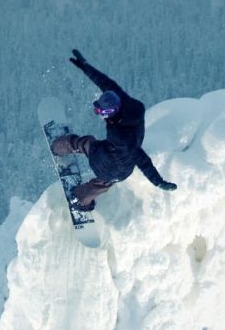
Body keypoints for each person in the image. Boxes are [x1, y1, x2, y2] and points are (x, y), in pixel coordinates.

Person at [53, 49, 177, 211]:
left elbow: (143, 161)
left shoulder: (120, 136)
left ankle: (58, 146)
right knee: (106, 179)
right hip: (124, 170)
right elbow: (105, 82)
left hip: (110, 163)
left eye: (101, 113)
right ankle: (81, 198)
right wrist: (85, 66)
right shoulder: (128, 104)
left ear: (110, 114)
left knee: (87, 143)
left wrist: (159, 182)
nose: (100, 115)